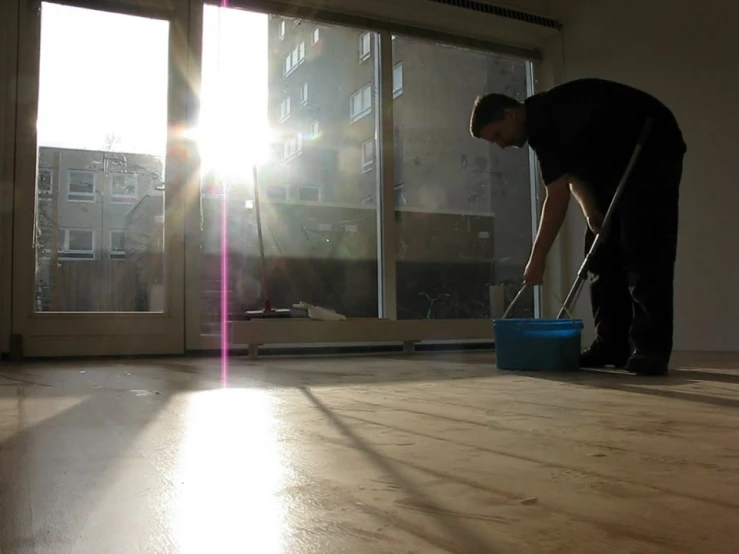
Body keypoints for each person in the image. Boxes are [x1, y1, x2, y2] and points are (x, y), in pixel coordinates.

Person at [469, 78, 686, 376]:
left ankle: (650, 349)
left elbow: (555, 199)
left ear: (510, 114)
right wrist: (590, 210)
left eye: (497, 136)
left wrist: (537, 260)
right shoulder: (542, 128)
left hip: (651, 144)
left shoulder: (547, 119)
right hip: (612, 164)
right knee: (600, 250)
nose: (502, 145)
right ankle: (612, 344)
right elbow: (572, 175)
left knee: (642, 245)